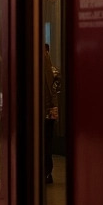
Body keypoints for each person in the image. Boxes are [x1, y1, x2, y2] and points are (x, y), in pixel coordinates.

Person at [44, 43, 60, 184]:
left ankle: (45, 171)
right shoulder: (53, 70)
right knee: (47, 141)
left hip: (44, 110)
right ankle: (47, 172)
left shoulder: (40, 63)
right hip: (50, 110)